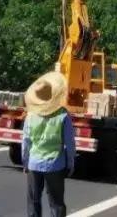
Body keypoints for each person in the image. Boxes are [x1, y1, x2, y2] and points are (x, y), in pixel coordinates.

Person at [22, 71, 76, 217]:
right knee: (56, 203)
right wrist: (70, 163)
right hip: (55, 164)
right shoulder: (63, 115)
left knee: (33, 201)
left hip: (34, 163)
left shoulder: (31, 116)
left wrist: (25, 162)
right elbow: (69, 143)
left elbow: (26, 142)